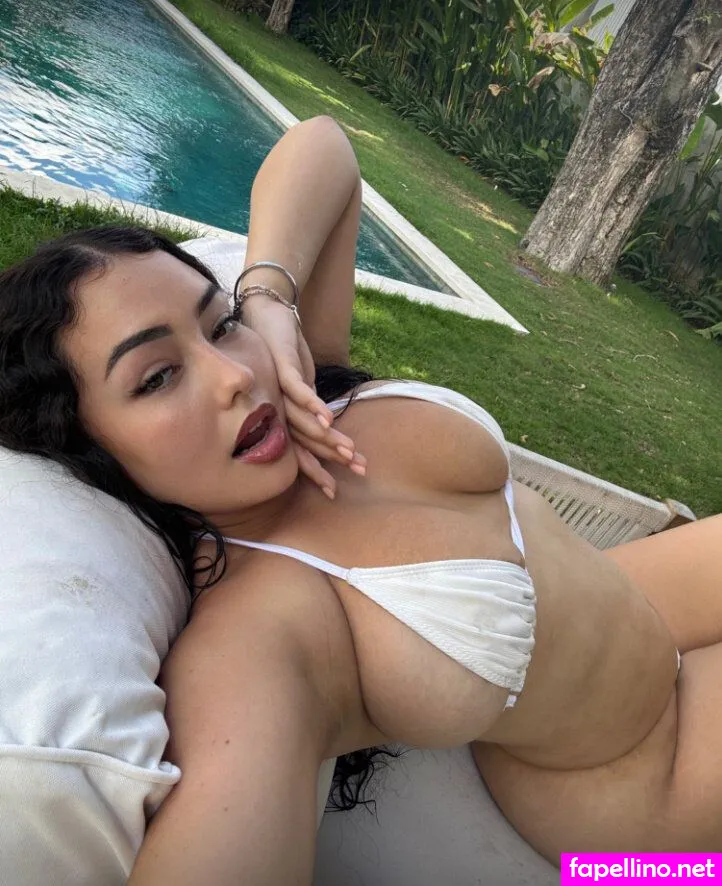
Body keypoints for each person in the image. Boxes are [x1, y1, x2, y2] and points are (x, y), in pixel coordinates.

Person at [0, 116, 718, 886]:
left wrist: (267, 303)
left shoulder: (301, 390)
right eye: (157, 377)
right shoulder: (260, 629)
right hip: (641, 798)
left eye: (219, 324)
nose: (235, 375)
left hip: (643, 600)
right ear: (88, 446)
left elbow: (324, 147)